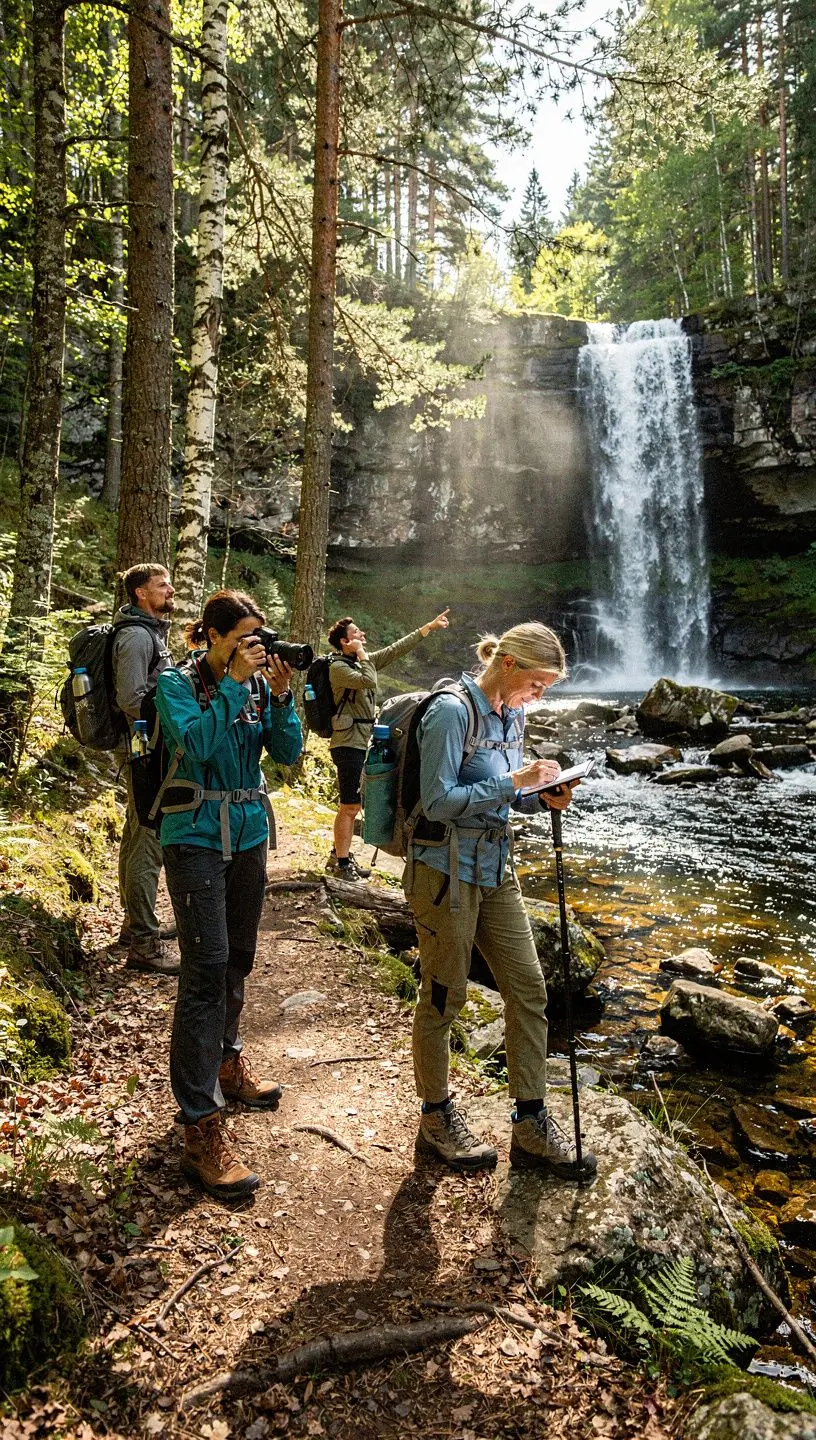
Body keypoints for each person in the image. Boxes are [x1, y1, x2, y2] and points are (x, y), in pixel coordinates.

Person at [405, 622, 598, 1181]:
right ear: (508, 664)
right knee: (444, 996)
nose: (540, 697)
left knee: (530, 991)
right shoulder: (450, 711)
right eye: (538, 684)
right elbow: (438, 801)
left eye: (547, 688)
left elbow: (503, 796)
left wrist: (542, 796)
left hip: (495, 868)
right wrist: (515, 782)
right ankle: (435, 1116)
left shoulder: (512, 714)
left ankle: (530, 1123)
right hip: (443, 870)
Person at [155, 589, 302, 1201]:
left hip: (246, 836)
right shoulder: (176, 684)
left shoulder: (260, 687)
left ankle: (226, 1060)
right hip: (192, 836)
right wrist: (239, 683)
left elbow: (289, 754)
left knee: (238, 958)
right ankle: (200, 1125)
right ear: (211, 637)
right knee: (206, 970)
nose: (253, 649)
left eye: (256, 639)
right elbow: (198, 747)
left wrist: (285, 699)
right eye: (242, 638)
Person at [326, 609, 450, 879]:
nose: (362, 635)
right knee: (349, 806)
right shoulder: (338, 668)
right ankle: (341, 863)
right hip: (347, 743)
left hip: (360, 741)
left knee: (353, 803)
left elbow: (395, 650)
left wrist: (427, 627)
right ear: (345, 642)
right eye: (356, 633)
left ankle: (340, 855)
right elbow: (370, 680)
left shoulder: (359, 662)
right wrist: (362, 655)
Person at [112, 562, 178, 976]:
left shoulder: (150, 632)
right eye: (161, 584)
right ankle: (143, 942)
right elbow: (132, 698)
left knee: (137, 832)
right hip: (144, 749)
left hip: (146, 747)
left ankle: (132, 925)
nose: (170, 589)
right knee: (148, 838)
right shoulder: (137, 637)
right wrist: (174, 722)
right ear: (140, 593)